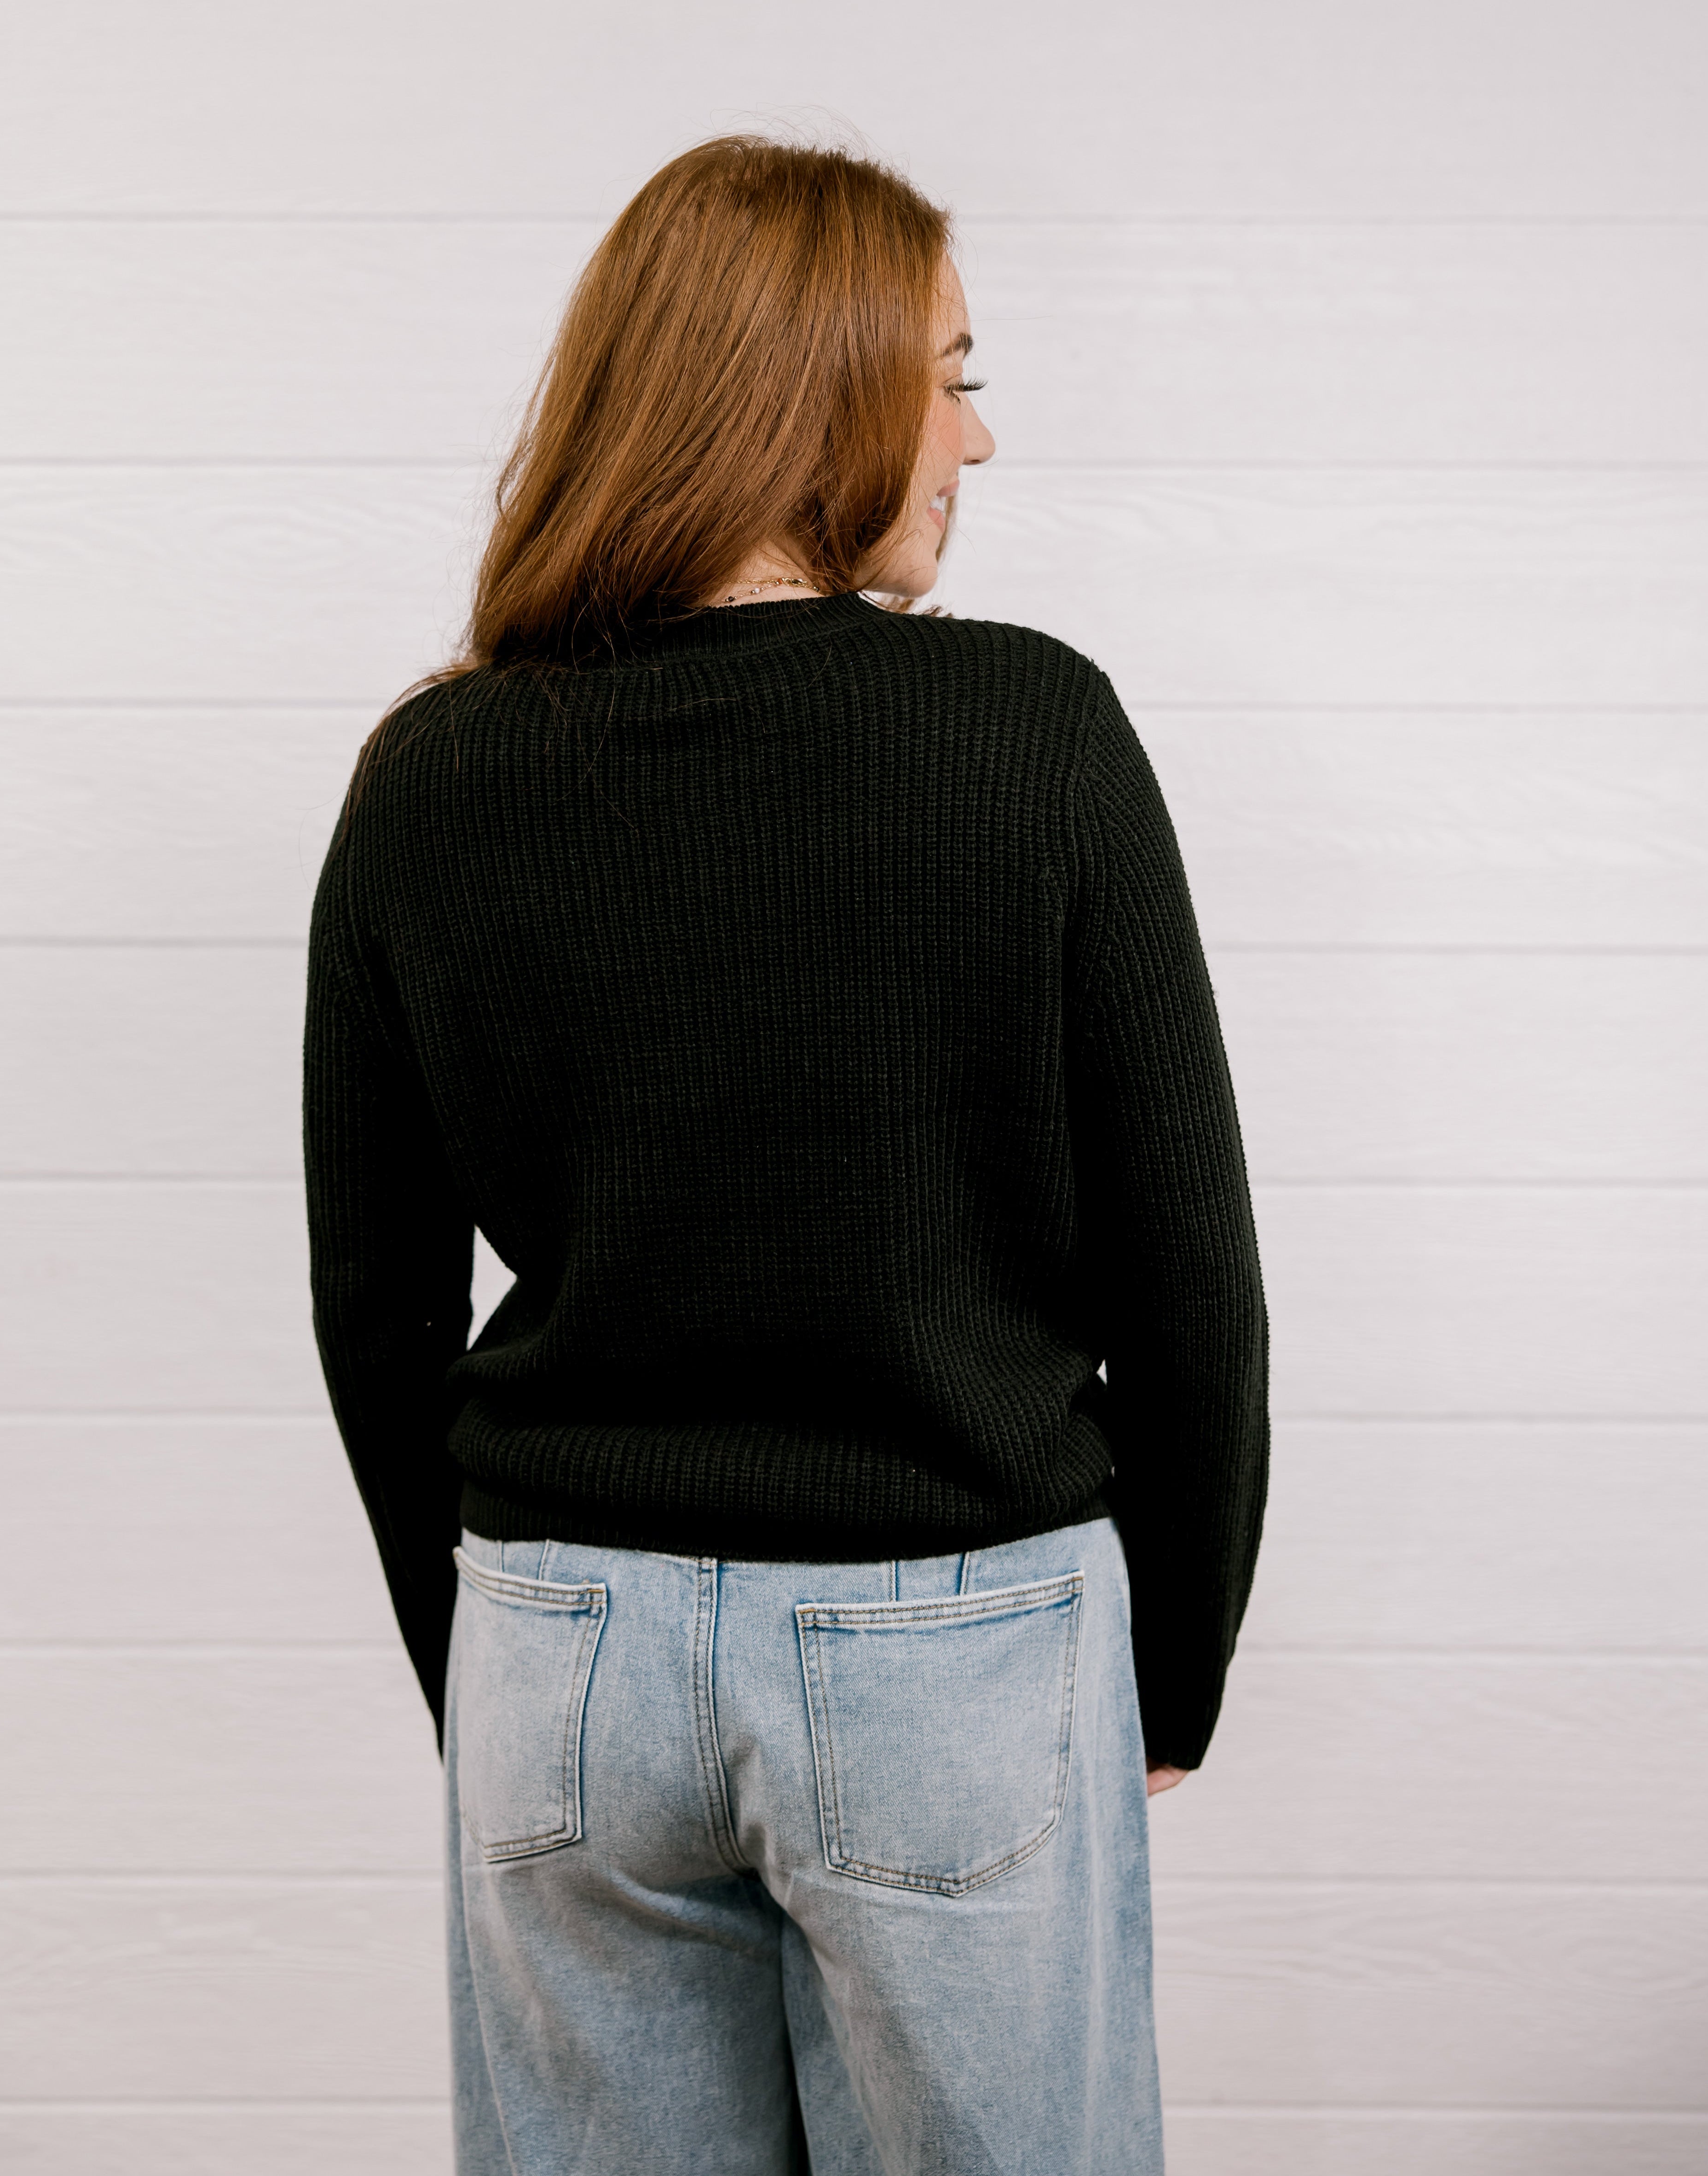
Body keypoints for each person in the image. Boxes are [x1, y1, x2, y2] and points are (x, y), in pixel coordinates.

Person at [305, 132, 1268, 2176]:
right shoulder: (1030, 734)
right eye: (952, 369)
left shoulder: (434, 771)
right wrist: (1165, 1667)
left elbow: (372, 1307)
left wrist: (491, 1664)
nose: (980, 438)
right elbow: (1186, 1272)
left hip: (561, 1648)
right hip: (953, 1650)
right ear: (813, 387)